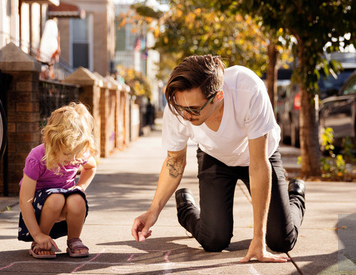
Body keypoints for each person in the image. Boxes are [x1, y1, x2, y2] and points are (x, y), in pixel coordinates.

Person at [131, 55, 306, 263]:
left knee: (280, 241)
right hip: (214, 156)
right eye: (182, 108)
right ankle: (185, 205)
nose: (186, 116)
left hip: (258, 156)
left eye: (194, 109)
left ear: (218, 96)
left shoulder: (248, 89)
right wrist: (153, 211)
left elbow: (259, 165)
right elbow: (175, 161)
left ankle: (295, 194)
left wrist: (258, 240)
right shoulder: (177, 106)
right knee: (214, 240)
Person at [18, 102, 98, 259]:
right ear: (53, 143)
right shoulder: (37, 157)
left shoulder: (77, 153)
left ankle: (74, 239)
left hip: (64, 204)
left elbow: (91, 167)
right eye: (68, 153)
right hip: (39, 210)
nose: (74, 159)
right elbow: (24, 200)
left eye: (78, 153)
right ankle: (41, 241)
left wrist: (81, 186)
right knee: (56, 198)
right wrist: (37, 234)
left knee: (77, 199)